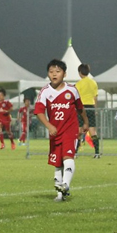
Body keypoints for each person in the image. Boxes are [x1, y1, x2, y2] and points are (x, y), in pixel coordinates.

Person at [34, 59, 86, 201]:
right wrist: (49, 126)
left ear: (64, 74)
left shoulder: (72, 90)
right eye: (51, 72)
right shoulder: (45, 92)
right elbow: (38, 111)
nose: (54, 74)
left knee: (68, 157)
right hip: (55, 133)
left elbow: (80, 108)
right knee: (57, 164)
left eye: (58, 71)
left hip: (70, 130)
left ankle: (66, 185)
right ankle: (59, 195)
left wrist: (85, 123)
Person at [75, 64, 100, 158]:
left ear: (80, 72)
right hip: (91, 107)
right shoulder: (93, 83)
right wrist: (95, 109)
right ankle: (97, 153)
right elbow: (95, 97)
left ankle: (75, 153)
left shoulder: (79, 84)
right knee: (92, 131)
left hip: (81, 108)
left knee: (79, 131)